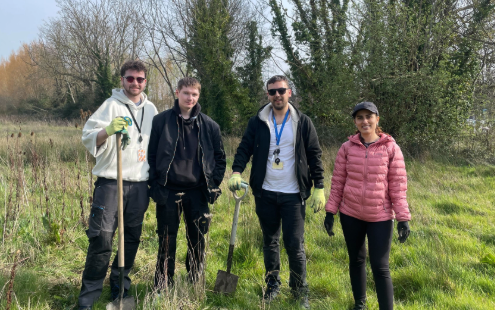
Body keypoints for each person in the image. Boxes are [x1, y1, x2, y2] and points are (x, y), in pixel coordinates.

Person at [229, 75, 325, 309]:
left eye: (281, 90)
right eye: (272, 92)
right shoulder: (258, 121)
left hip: (294, 195)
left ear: (289, 92)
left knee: (294, 243)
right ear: (267, 95)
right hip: (266, 193)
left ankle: (299, 291)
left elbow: (314, 154)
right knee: (270, 241)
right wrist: (236, 171)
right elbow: (244, 148)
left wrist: (319, 186)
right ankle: (272, 285)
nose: (277, 95)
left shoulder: (303, 122)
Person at [78, 60, 158, 309]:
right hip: (112, 183)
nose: (135, 83)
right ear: (122, 79)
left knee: (131, 238)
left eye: (140, 79)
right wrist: (109, 130)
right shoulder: (110, 106)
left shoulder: (152, 109)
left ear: (145, 82)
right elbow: (88, 137)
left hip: (139, 185)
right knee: (102, 238)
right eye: (130, 78)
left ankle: (120, 288)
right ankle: (88, 298)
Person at [323, 102, 411, 310]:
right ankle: (359, 304)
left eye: (369, 116)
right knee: (356, 260)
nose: (365, 121)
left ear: (377, 119)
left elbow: (398, 186)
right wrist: (330, 211)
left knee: (381, 267)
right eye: (360, 117)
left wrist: (403, 218)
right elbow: (337, 182)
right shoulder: (346, 148)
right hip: (350, 214)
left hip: (379, 216)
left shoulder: (391, 148)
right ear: (355, 121)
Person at [147, 77, 226, 290]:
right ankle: (163, 285)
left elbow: (220, 158)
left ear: (198, 96)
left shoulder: (210, 126)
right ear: (177, 93)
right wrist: (155, 186)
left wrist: (213, 185)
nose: (190, 98)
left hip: (197, 193)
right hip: (167, 191)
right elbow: (151, 156)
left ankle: (195, 282)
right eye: (186, 93)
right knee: (166, 241)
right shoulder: (161, 121)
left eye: (194, 94)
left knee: (197, 241)